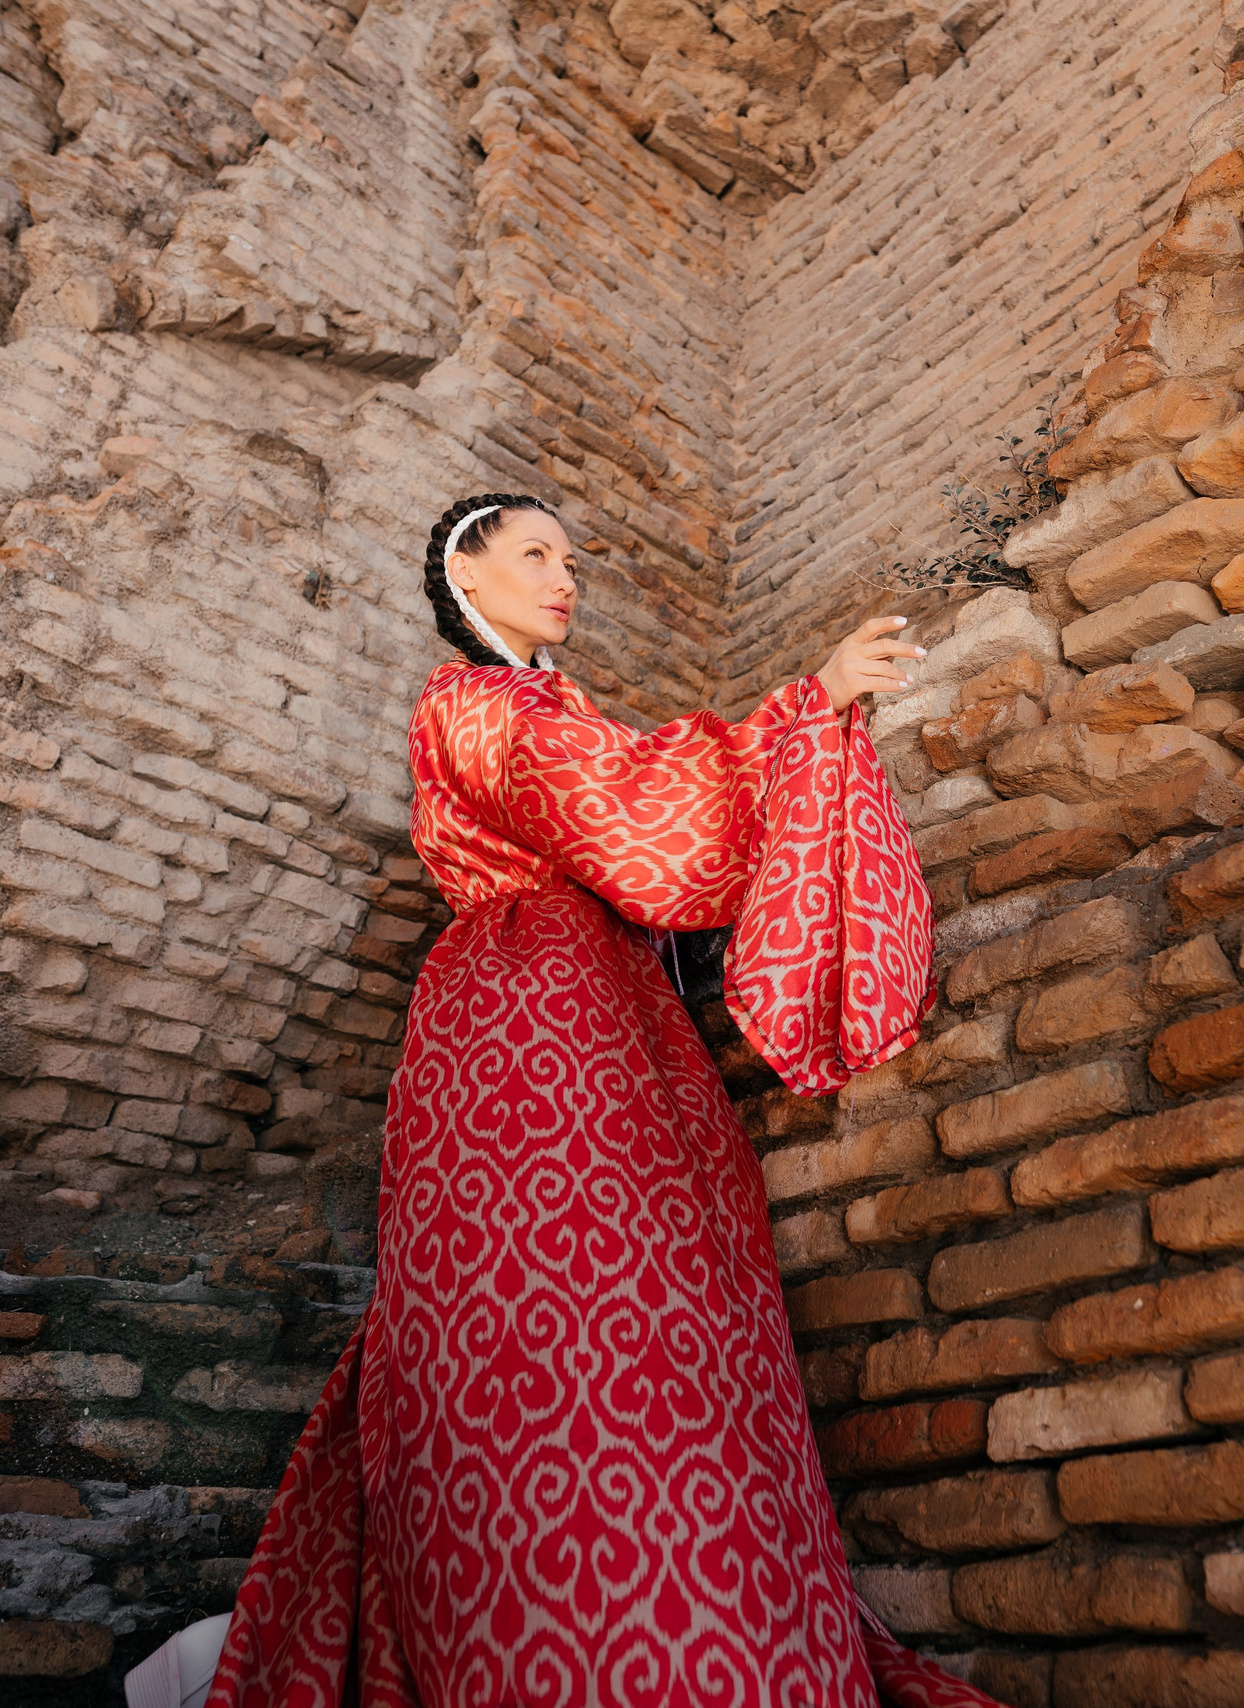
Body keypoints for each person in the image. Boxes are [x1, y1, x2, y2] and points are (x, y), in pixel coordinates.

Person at [196, 491, 994, 1708]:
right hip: (530, 1030)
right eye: (534, 555)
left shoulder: (551, 707)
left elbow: (634, 813)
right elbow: (622, 813)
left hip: (617, 1026)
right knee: (565, 1325)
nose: (564, 578)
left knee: (676, 1327)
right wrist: (800, 702)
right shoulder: (471, 705)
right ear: (464, 576)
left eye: (572, 558)